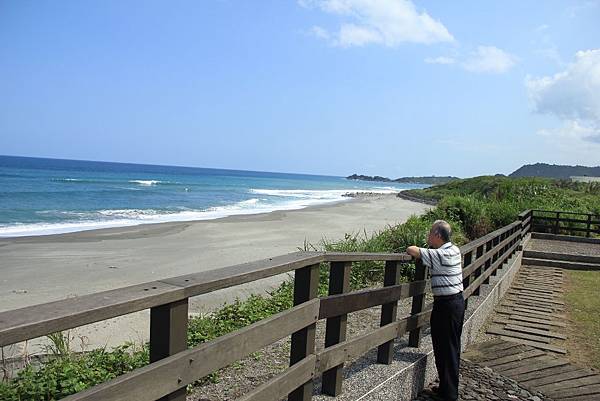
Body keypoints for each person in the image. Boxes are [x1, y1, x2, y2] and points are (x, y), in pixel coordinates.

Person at [406, 220, 464, 401]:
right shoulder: (454, 250)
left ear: (438, 235)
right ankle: (448, 389)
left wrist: (418, 249)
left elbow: (412, 250)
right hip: (456, 303)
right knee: (450, 348)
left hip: (446, 306)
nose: (428, 235)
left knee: (445, 348)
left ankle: (449, 395)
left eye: (430, 232)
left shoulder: (441, 254)